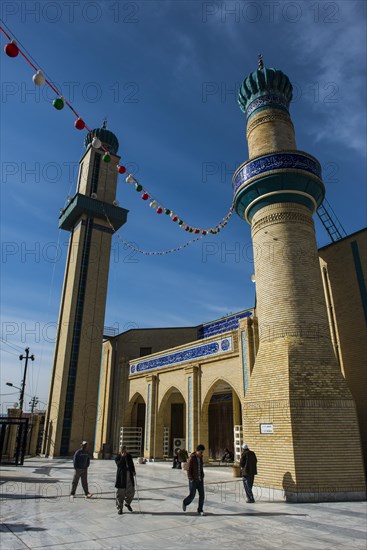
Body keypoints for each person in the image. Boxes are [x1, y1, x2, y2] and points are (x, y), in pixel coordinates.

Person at [182, 444, 206, 516]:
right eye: (201, 452)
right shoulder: (192, 458)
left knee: (202, 495)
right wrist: (191, 479)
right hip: (193, 480)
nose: (202, 454)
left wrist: (202, 475)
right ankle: (185, 502)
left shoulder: (201, 457)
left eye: (202, 452)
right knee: (192, 495)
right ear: (197, 451)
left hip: (200, 480)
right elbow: (189, 469)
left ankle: (200, 510)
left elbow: (200, 467)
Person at [115, 445, 136, 514]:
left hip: (129, 476)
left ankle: (127, 503)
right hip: (121, 477)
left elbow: (132, 464)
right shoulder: (117, 457)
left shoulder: (129, 456)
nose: (124, 451)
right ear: (120, 450)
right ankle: (120, 508)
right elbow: (119, 465)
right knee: (120, 493)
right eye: (122, 450)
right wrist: (122, 457)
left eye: (125, 450)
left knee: (132, 491)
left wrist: (133, 471)